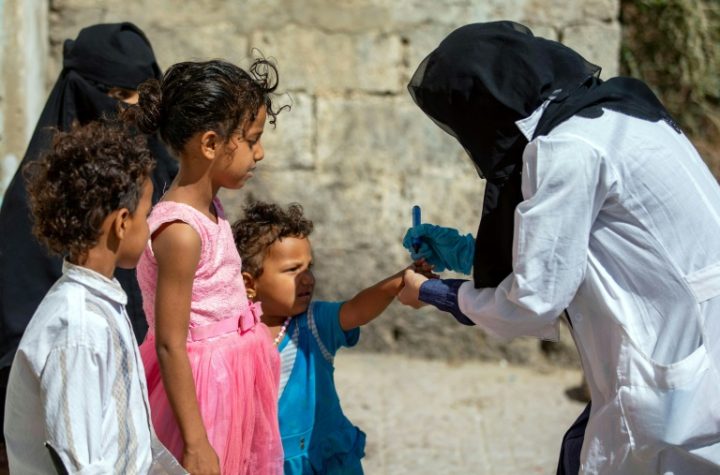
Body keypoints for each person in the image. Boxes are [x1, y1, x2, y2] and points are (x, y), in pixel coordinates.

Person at [397, 21, 720, 474]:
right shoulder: (617, 113)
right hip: (691, 350)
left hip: (672, 378)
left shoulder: (566, 149)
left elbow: (534, 300)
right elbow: (585, 252)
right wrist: (462, 252)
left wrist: (434, 293)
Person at [0, 24, 177, 465]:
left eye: (142, 96)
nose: (129, 111)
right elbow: (77, 456)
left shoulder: (158, 177)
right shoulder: (75, 329)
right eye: (116, 94)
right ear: (121, 222)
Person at [124, 59, 286, 474]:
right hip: (201, 396)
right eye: (251, 140)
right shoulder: (180, 231)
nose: (260, 152)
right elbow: (169, 342)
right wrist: (196, 444)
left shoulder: (210, 207)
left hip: (230, 383)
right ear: (211, 143)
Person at [232, 200, 413, 474]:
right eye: (293, 270)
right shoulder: (233, 334)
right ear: (250, 284)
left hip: (322, 459)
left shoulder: (314, 324)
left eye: (309, 268)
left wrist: (401, 279)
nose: (308, 279)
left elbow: (358, 309)